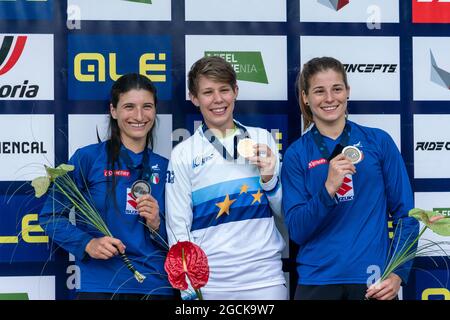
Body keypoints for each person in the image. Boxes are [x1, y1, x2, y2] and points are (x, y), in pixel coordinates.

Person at [281, 56, 419, 300]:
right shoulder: (296, 154)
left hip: (373, 283)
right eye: (319, 91)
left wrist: (397, 273)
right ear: (305, 97)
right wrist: (328, 190)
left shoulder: (378, 142)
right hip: (318, 282)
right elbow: (298, 231)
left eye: (337, 89)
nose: (330, 98)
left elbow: (406, 216)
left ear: (347, 92)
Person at [39, 73, 175, 300]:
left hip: (155, 287)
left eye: (147, 106)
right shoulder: (88, 158)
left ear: (155, 111)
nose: (139, 116)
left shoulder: (166, 166)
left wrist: (157, 224)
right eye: (129, 106)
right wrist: (87, 243)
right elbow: (51, 217)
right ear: (114, 111)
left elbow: (184, 237)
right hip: (101, 286)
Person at [165, 56, 287, 300]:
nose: (217, 99)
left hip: (265, 279)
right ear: (194, 98)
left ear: (236, 91)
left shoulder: (262, 139)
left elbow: (284, 212)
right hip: (211, 283)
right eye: (208, 92)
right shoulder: (183, 154)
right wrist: (190, 288)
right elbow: (178, 227)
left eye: (224, 90)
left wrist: (270, 180)